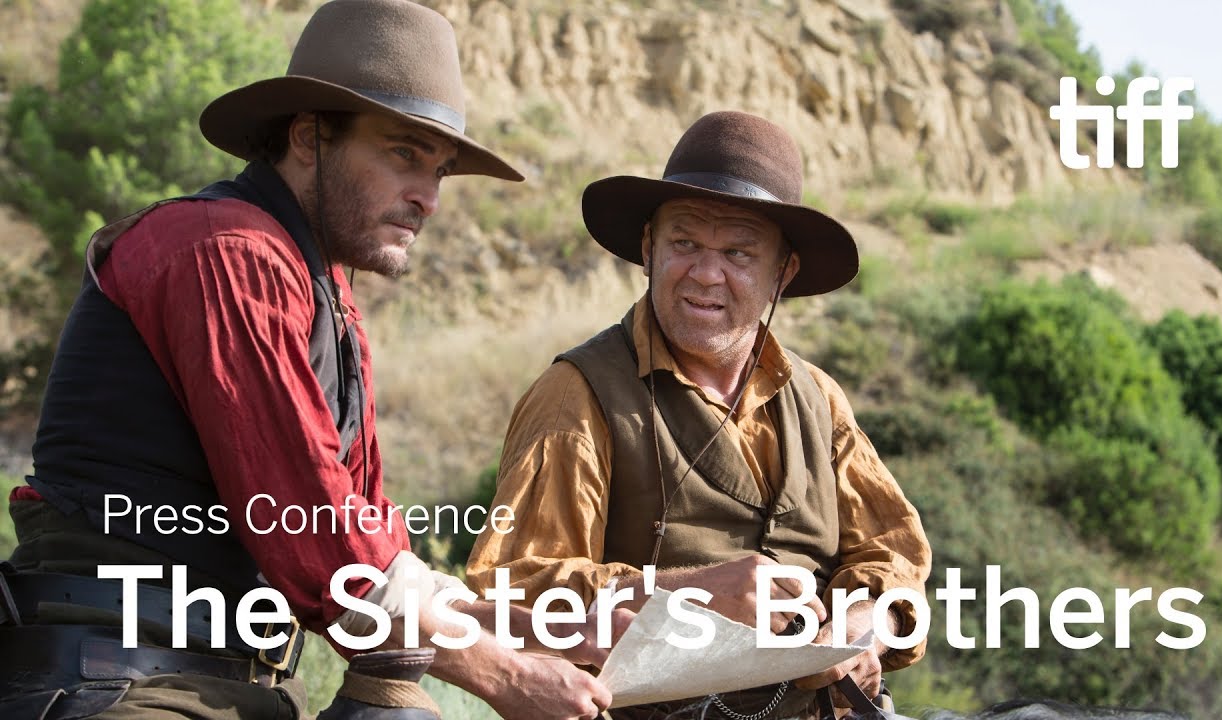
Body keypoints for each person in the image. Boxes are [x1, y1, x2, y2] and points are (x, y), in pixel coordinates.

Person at [0, 1, 612, 719]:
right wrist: (505, 678)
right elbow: (319, 539)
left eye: (442, 170)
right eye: (404, 155)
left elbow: (378, 553)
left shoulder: (325, 296)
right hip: (121, 684)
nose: (429, 198)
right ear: (308, 137)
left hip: (231, 685)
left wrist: (549, 631)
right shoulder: (226, 253)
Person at [468, 110, 932, 719]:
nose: (705, 274)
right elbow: (509, 597)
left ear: (781, 274)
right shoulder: (576, 396)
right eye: (684, 243)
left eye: (739, 252)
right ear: (647, 250)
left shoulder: (818, 398)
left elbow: (895, 556)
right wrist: (689, 593)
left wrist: (866, 623)